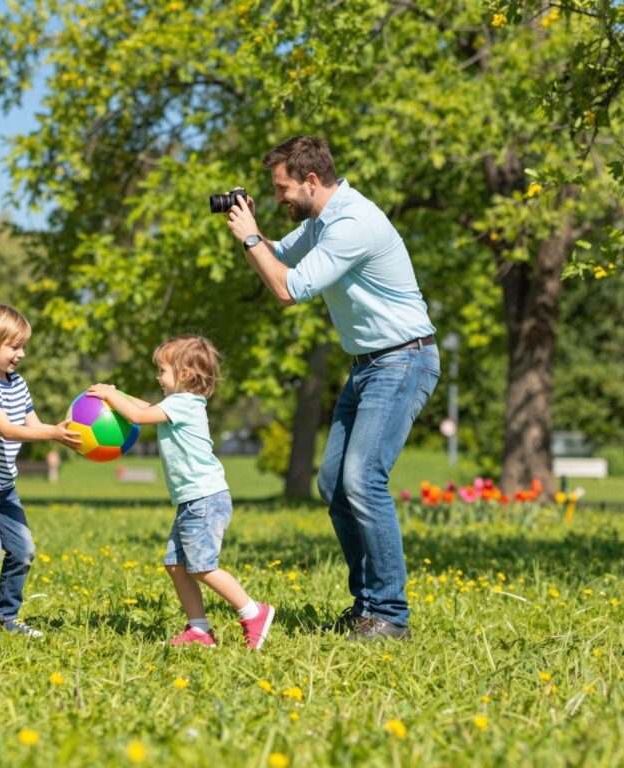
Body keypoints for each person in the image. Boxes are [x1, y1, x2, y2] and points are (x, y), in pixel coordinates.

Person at [223, 135, 440, 641]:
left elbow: (288, 288)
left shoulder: (351, 222)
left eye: (281, 188)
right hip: (367, 364)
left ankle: (390, 615)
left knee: (363, 480)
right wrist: (250, 232)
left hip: (403, 359)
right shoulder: (321, 221)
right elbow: (279, 256)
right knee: (334, 485)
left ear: (311, 180)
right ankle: (368, 607)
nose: (278, 198)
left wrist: (254, 239)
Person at [88, 335, 275, 649]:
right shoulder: (178, 405)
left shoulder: (183, 404)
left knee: (202, 566)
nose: (157, 377)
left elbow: (138, 415)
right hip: (193, 500)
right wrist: (117, 395)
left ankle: (253, 611)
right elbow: (146, 408)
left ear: (185, 375)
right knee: (176, 565)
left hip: (204, 499)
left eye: (162, 370)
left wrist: (109, 393)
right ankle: (199, 630)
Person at [0, 304, 81, 642]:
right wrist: (52, 433)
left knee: (23, 550)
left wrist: (61, 433)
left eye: (23, 346)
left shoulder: (17, 383)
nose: (20, 354)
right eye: (13, 346)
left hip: (3, 483)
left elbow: (32, 424)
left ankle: (5, 617)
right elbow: (7, 429)